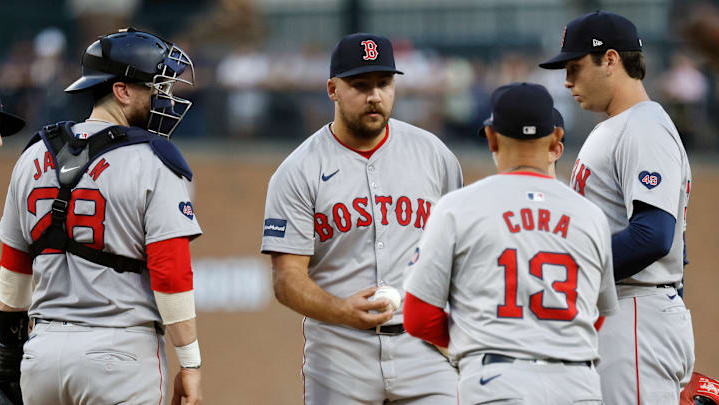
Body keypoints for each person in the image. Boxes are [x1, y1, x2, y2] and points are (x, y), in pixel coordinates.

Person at [0, 28, 203, 404]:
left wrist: (8, 352)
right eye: (156, 88)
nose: (167, 100)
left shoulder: (30, 156)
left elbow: (13, 265)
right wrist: (190, 363)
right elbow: (171, 271)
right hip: (119, 355)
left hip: (42, 356)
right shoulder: (156, 159)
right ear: (122, 91)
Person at [261, 32, 463, 404]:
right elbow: (286, 278)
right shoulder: (298, 171)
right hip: (339, 351)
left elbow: (460, 255)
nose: (374, 96)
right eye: (359, 85)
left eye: (383, 83)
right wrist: (340, 310)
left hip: (425, 348)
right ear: (332, 89)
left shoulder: (434, 155)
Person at [403, 82, 619, 405]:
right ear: (556, 138)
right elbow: (595, 314)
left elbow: (418, 316)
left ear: (491, 138)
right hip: (576, 386)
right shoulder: (591, 216)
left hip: (497, 384)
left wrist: (475, 335)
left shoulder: (458, 207)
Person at [539, 10, 695, 403]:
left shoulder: (643, 128)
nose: (567, 80)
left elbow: (653, 236)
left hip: (636, 315)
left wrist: (570, 275)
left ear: (610, 60)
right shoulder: (620, 125)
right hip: (624, 311)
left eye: (575, 67)